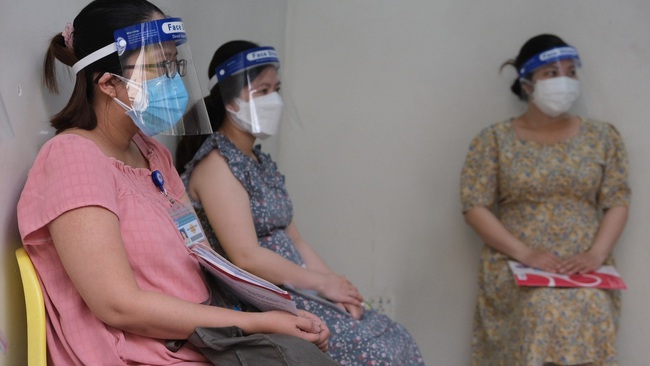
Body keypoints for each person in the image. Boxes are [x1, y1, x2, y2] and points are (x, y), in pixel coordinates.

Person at [16, 2, 334, 365]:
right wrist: (252, 323)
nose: (174, 81)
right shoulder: (72, 158)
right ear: (108, 83)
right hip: (142, 352)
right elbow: (119, 306)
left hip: (198, 335)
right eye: (159, 67)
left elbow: (198, 251)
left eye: (174, 65)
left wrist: (269, 310)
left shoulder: (150, 152)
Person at [175, 40, 424, 365]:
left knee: (394, 335)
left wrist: (338, 288)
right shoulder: (217, 166)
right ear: (231, 100)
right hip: (263, 300)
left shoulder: (259, 162)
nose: (274, 100)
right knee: (378, 352)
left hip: (299, 289)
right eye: (262, 91)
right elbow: (246, 256)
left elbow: (294, 239)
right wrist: (321, 284)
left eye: (276, 89)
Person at [460, 34, 630, 365]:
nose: (564, 80)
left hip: (587, 265)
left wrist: (596, 254)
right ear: (527, 83)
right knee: (541, 308)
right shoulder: (493, 140)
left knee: (591, 306)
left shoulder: (603, 137)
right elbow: (474, 206)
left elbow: (617, 201)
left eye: (570, 71)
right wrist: (527, 254)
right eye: (551, 73)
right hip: (516, 264)